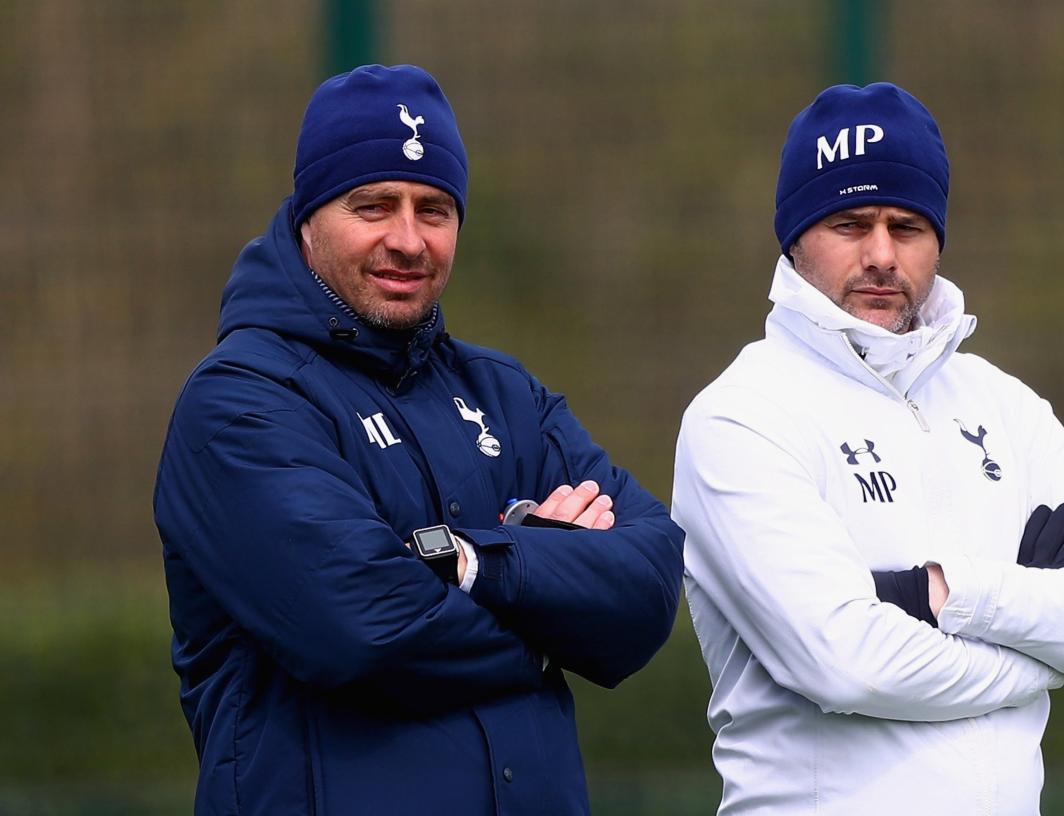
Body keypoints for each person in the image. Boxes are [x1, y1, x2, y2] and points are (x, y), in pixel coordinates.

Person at [154, 64, 684, 816]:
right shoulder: (240, 403)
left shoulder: (507, 394)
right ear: (309, 216)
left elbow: (649, 584)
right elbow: (365, 629)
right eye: (373, 205)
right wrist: (548, 618)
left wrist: (472, 564)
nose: (408, 240)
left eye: (434, 209)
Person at [672, 83, 1064, 815]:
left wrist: (951, 593)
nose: (881, 254)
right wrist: (1042, 653)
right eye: (850, 223)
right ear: (795, 237)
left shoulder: (1005, 405)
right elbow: (848, 663)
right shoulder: (740, 416)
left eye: (906, 225)